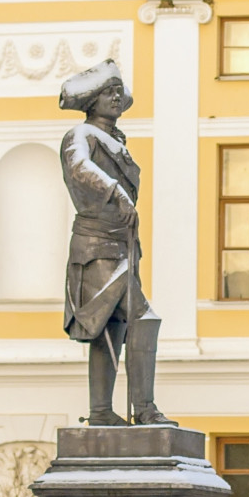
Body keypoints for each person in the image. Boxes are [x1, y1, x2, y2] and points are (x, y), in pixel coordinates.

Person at [58, 61, 167, 426]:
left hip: (120, 245)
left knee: (113, 327)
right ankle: (144, 409)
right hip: (96, 246)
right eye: (109, 92)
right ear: (92, 100)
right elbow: (79, 168)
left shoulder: (114, 140)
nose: (116, 98)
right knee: (138, 318)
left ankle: (103, 412)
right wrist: (117, 192)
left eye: (119, 91)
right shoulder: (80, 134)